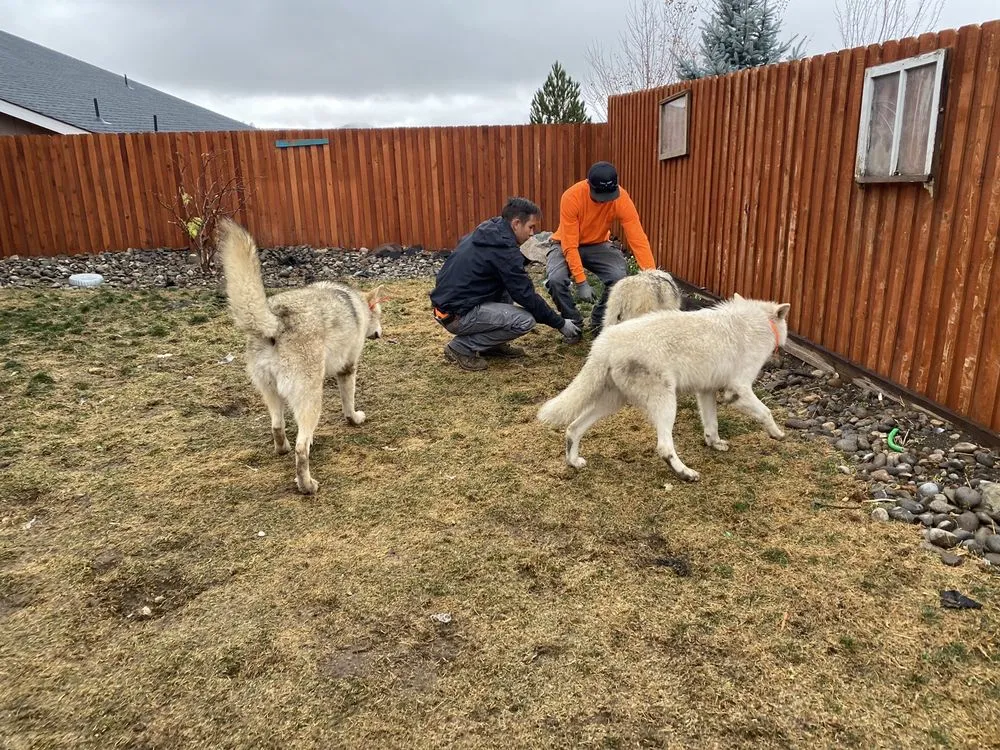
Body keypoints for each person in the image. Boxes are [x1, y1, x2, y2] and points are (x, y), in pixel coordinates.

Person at [429, 197, 582, 371]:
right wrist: (560, 324)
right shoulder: (503, 249)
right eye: (531, 227)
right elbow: (525, 295)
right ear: (516, 223)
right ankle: (461, 347)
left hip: (449, 305)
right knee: (525, 321)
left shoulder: (489, 233)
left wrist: (522, 260)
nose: (533, 233)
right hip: (457, 315)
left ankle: (491, 346)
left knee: (506, 288)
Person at [545, 161, 657, 335]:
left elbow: (638, 239)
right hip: (564, 243)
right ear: (588, 184)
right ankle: (573, 323)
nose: (604, 201)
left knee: (618, 276)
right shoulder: (572, 197)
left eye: (609, 196)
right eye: (599, 196)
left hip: (598, 244)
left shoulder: (621, 199)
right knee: (555, 280)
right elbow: (570, 244)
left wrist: (651, 275)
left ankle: (599, 321)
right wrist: (581, 281)